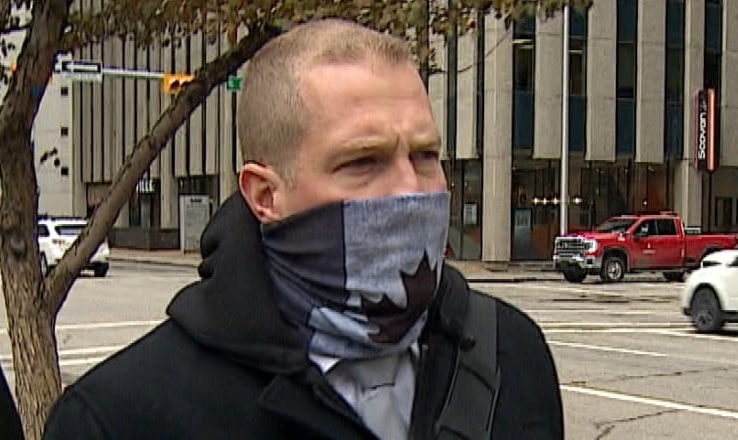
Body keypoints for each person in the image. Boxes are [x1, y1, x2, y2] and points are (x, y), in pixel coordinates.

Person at [44, 19, 563, 439]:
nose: (412, 188)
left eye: (425, 155)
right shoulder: (118, 419)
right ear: (265, 195)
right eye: (363, 161)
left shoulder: (512, 354)